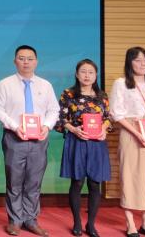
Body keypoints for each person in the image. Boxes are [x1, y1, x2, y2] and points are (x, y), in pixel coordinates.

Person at [0, 45, 59, 237]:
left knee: (34, 181)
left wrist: (46, 126)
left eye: (30, 59)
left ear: (36, 62)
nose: (26, 62)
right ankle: (15, 221)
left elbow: (54, 109)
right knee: (14, 181)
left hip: (39, 140)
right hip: (14, 138)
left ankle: (30, 219)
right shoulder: (5, 84)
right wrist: (15, 126)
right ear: (15, 61)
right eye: (21, 58)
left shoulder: (45, 85)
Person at [109, 47, 145, 237]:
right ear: (129, 63)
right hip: (131, 133)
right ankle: (131, 225)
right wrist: (137, 133)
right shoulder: (120, 83)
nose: (143, 64)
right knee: (131, 176)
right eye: (137, 60)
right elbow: (116, 113)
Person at [54, 59, 110, 237]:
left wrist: (103, 129)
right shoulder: (68, 94)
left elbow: (108, 118)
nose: (87, 75)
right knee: (77, 182)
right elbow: (60, 118)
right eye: (83, 72)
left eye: (91, 72)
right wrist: (74, 129)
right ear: (77, 74)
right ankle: (77, 222)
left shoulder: (102, 95)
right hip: (76, 140)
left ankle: (91, 224)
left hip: (97, 144)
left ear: (96, 75)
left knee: (95, 183)